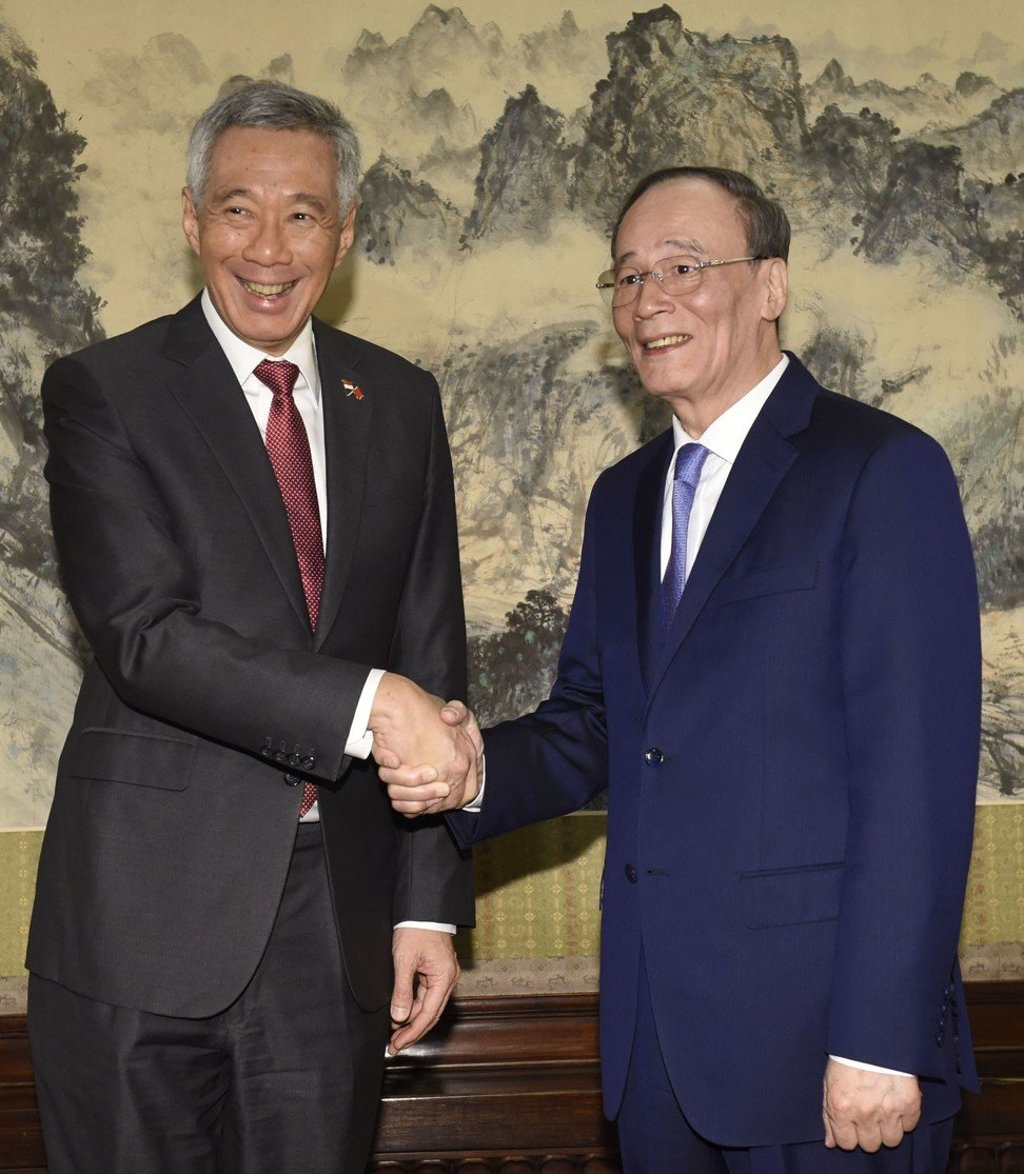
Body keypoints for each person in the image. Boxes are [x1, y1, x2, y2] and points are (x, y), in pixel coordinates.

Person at [380, 167, 982, 1172]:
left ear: (771, 287)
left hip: (828, 1055)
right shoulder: (622, 496)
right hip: (655, 1054)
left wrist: (877, 1037)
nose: (647, 300)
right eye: (626, 277)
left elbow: (913, 781)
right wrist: (470, 769)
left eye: (683, 267)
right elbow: (598, 724)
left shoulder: (879, 469)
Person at [26, 80, 479, 1174]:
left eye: (302, 213)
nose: (268, 247)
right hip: (141, 924)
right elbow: (144, 633)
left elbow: (431, 646)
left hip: (338, 933)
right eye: (237, 209)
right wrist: (373, 706)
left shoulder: (402, 401)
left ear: (347, 230)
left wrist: (428, 906)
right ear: (191, 221)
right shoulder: (106, 390)